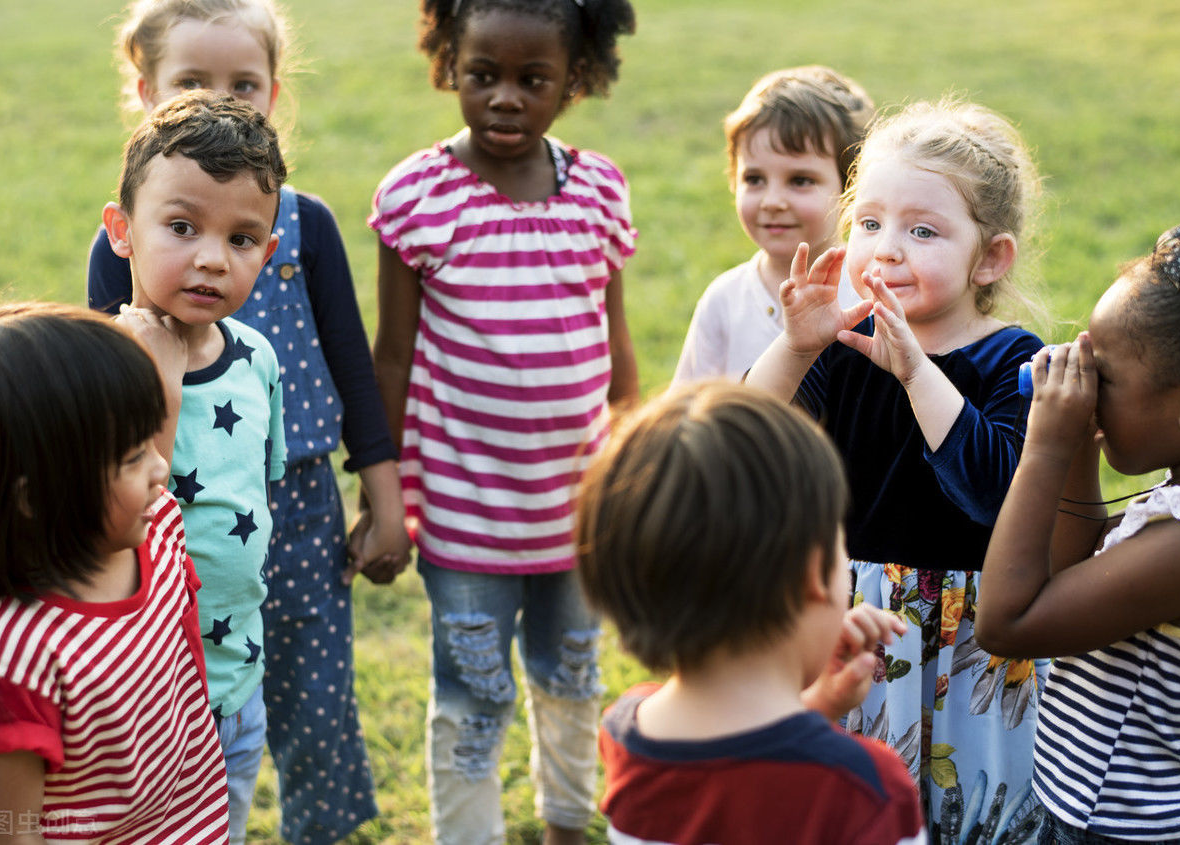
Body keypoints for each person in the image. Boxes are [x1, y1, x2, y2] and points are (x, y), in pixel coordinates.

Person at [85, 2, 408, 841]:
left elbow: (353, 364)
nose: (222, 98)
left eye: (245, 83)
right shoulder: (120, 246)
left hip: (293, 502)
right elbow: (98, 422)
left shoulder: (300, 224)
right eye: (192, 82)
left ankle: (318, 829)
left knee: (313, 692)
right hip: (157, 529)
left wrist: (385, 494)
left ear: (274, 91)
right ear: (147, 88)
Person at [368, 1, 637, 841]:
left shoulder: (598, 187)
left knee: (573, 678)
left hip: (578, 513)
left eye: (533, 80)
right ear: (449, 60)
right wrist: (386, 501)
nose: (506, 99)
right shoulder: (416, 196)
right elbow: (393, 357)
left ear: (576, 78)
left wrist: (630, 465)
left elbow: (614, 340)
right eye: (483, 75)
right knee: (471, 698)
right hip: (463, 515)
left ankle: (564, 820)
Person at [745, 98, 1048, 841]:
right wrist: (795, 346)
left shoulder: (1011, 359)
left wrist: (916, 369)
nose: (886, 248)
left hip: (971, 635)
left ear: (991, 257)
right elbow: (743, 438)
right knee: (857, 809)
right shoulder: (846, 346)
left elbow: (988, 492)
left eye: (922, 230)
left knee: (969, 808)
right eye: (870, 224)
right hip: (857, 622)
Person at [574, 381, 923, 844]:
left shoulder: (626, 732)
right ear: (814, 574)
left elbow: (729, 771)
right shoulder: (863, 788)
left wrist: (817, 709)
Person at [99, 90, 289, 844]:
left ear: (269, 253)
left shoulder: (260, 360)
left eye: (243, 239)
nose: (213, 257)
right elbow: (116, 522)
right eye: (182, 227)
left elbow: (258, 496)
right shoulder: (99, 367)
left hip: (234, 687)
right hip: (136, 701)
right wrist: (162, 385)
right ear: (123, 231)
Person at [0, 302, 229, 843]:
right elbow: (5, 829)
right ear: (36, 497)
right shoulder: (14, 658)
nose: (161, 468)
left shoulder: (158, 527)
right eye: (133, 456)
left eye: (152, 442)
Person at [976, 225, 1180, 842]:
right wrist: (1075, 453)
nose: (1084, 385)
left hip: (1121, 828)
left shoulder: (1178, 547)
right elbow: (1064, 580)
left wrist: (1044, 445)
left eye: (1105, 378)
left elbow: (1008, 625)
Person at [672, 65, 874, 384]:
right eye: (754, 179)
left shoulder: (870, 297)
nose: (772, 201)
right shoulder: (724, 301)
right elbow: (688, 416)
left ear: (851, 188)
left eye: (800, 180)